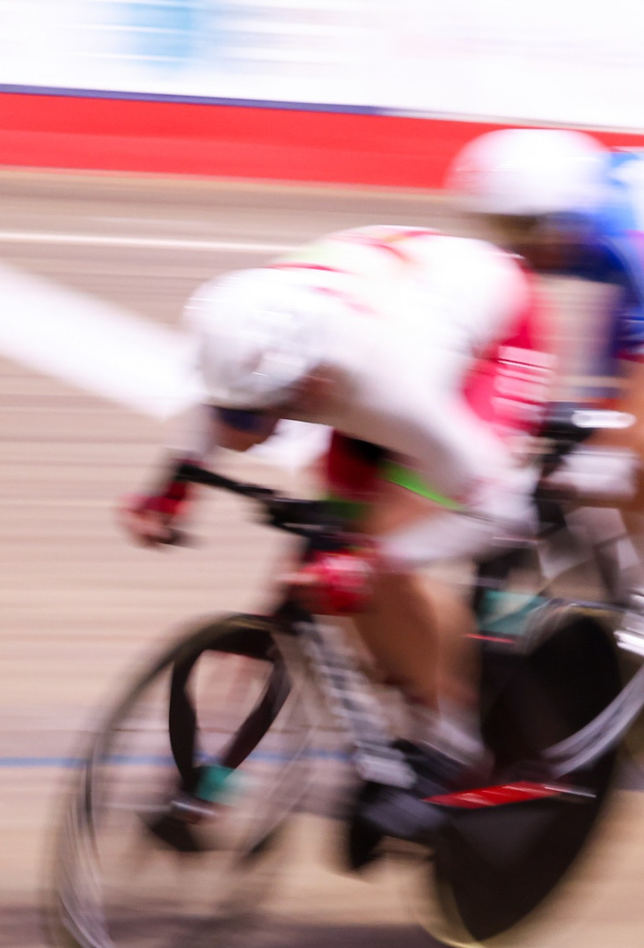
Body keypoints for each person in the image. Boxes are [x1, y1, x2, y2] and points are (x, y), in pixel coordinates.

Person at [121, 226, 548, 860]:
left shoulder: (396, 390)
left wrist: (375, 561)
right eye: (235, 413)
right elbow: (222, 392)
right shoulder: (247, 332)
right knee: (316, 560)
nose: (244, 431)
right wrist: (172, 487)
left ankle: (451, 744)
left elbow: (505, 511)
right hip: (398, 304)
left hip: (490, 340)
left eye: (258, 414)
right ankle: (212, 777)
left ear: (312, 384)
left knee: (372, 554)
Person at [447, 127, 644, 515]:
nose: (512, 244)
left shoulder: (627, 240)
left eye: (521, 229)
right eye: (501, 227)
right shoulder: (586, 218)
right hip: (630, 281)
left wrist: (616, 447)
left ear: (565, 215)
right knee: (604, 420)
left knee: (627, 447)